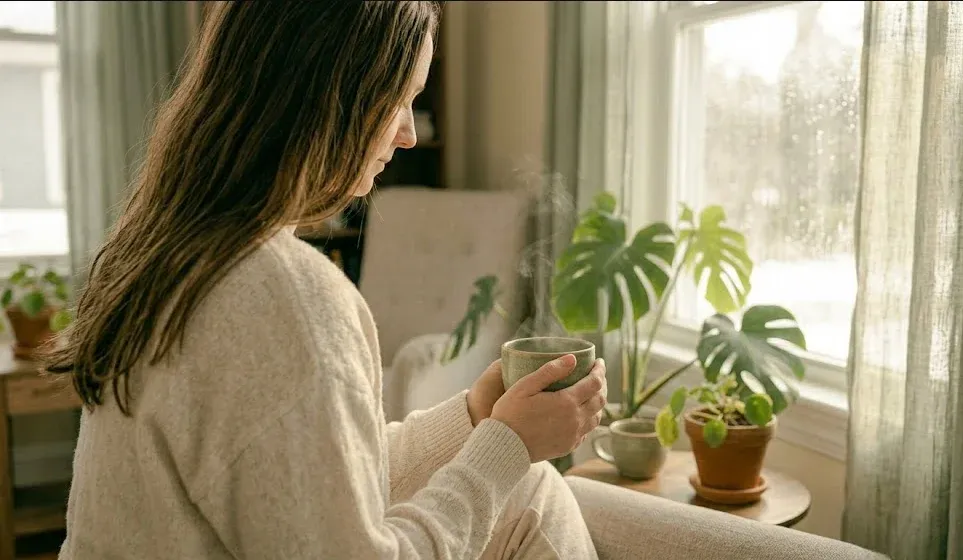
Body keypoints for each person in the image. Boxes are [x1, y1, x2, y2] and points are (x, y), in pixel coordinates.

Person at [44, 2, 607, 559]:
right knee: (530, 484)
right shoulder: (282, 294)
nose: (409, 134)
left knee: (534, 488)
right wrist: (507, 448)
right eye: (399, 99)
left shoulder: (175, 252)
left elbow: (307, 482)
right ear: (326, 94)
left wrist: (473, 420)